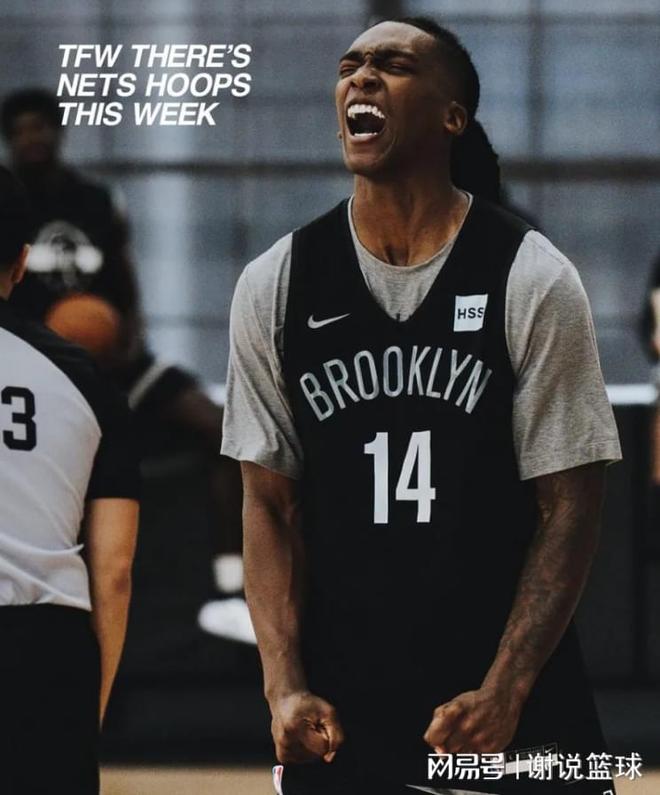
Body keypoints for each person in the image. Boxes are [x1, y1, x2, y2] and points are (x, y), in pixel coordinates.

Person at [221, 17, 623, 795]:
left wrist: (506, 687)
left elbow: (570, 506)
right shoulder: (277, 281)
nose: (361, 77)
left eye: (394, 65)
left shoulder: (531, 275)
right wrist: (282, 684)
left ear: (452, 116)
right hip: (345, 704)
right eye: (350, 65)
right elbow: (268, 502)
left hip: (510, 696)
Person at [1, 89, 248, 638]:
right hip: (44, 370)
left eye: (41, 126)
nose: (32, 137)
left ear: (58, 133)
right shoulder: (9, 206)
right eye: (20, 130)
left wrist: (126, 339)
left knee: (223, 431)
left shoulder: (95, 201)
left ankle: (231, 584)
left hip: (115, 364)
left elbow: (127, 283)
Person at [0, 166, 139, 793]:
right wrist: (86, 714)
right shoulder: (89, 382)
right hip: (45, 652)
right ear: (22, 262)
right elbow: (114, 569)